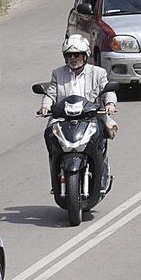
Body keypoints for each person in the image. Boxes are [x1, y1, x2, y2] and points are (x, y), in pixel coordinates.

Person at [38, 33, 116, 199]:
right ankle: (56, 165)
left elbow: (107, 90)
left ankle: (100, 165)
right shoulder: (58, 74)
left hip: (90, 117)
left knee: (105, 131)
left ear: (85, 55)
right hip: (63, 118)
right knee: (49, 133)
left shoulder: (98, 73)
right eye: (69, 55)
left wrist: (110, 104)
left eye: (77, 54)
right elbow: (51, 93)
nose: (73, 58)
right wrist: (45, 107)